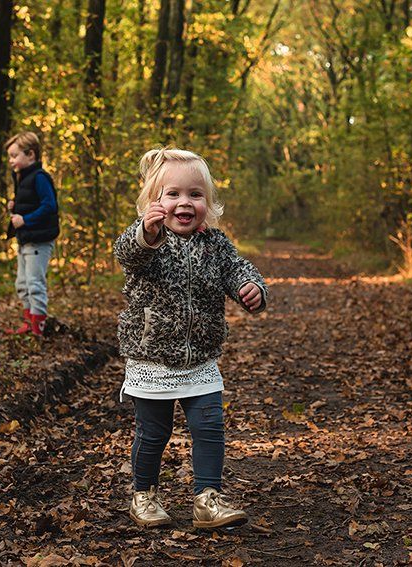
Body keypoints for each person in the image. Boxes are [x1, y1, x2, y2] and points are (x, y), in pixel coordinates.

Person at [114, 147, 268, 529]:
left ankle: (207, 497)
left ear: (208, 203)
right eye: (173, 194)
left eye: (195, 195)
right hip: (152, 359)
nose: (185, 202)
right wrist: (145, 234)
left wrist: (251, 286)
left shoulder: (215, 245)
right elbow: (127, 254)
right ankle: (144, 495)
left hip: (200, 358)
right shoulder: (149, 243)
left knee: (210, 427)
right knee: (154, 432)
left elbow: (236, 268)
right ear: (154, 203)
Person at [4, 132, 59, 337]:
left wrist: (25, 220)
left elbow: (49, 206)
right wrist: (14, 205)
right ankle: (29, 322)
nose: (11, 161)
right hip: (25, 240)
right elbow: (31, 202)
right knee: (22, 283)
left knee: (35, 283)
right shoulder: (24, 177)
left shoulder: (40, 177)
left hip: (38, 240)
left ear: (30, 155)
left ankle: (38, 328)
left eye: (14, 155)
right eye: (10, 156)